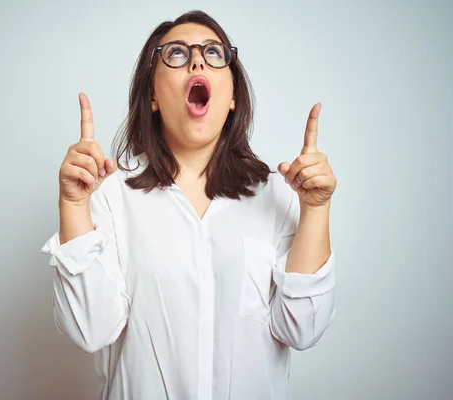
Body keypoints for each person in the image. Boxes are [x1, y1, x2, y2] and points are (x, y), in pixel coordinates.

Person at [40, 10, 337, 400]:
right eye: (176, 54)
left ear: (232, 96)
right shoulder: (112, 199)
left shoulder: (277, 196)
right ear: (152, 97)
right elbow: (89, 329)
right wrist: (74, 203)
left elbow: (302, 330)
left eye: (214, 53)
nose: (197, 59)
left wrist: (315, 209)